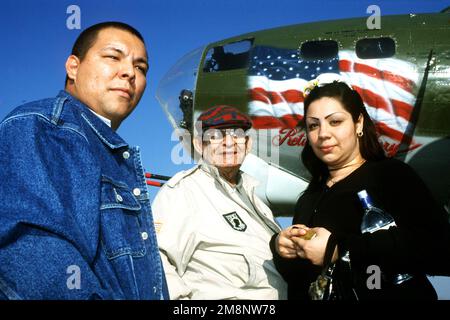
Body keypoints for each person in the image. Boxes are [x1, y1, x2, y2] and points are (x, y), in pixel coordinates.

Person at [0, 22, 168, 300]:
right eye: (113, 57)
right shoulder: (43, 127)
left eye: (141, 67)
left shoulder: (108, 152)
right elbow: (31, 250)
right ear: (73, 67)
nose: (129, 73)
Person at [271, 75, 450, 300]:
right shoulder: (309, 197)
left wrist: (340, 249)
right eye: (313, 125)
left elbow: (440, 248)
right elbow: (301, 279)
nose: (323, 134)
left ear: (359, 124)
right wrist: (281, 249)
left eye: (335, 121)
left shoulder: (390, 175)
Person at [152, 105, 287, 299]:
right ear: (200, 145)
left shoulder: (256, 200)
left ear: (247, 144)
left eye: (237, 135)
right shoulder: (184, 191)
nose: (229, 143)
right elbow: (156, 261)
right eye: (215, 136)